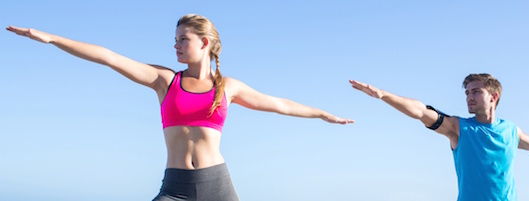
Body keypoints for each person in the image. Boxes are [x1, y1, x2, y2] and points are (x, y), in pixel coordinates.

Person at [7, 14, 354, 201]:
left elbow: (279, 104)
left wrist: (322, 114)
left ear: (204, 43)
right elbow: (110, 57)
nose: (175, 46)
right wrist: (52, 39)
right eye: (174, 40)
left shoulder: (226, 87)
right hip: (175, 189)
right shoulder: (164, 80)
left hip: (218, 186)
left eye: (182, 40)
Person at [349, 74, 529, 201]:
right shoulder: (459, 128)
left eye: (476, 91)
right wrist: (383, 95)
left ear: (494, 96)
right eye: (467, 92)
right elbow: (422, 112)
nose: (469, 97)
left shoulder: (510, 130)